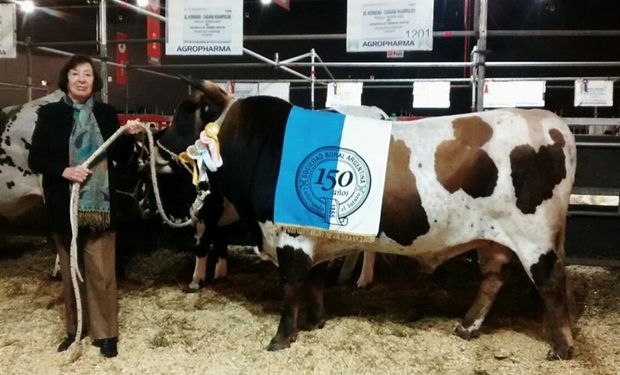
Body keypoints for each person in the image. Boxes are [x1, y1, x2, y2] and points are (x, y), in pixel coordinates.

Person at [28, 55, 143, 358]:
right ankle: (74, 329)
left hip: (100, 205)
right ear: (66, 79)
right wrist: (65, 170)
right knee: (71, 272)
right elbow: (35, 158)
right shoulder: (50, 113)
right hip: (63, 205)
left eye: (88, 75)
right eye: (76, 74)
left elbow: (121, 156)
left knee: (102, 271)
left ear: (95, 81)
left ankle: (106, 334)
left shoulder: (106, 113)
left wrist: (128, 136)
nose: (82, 79)